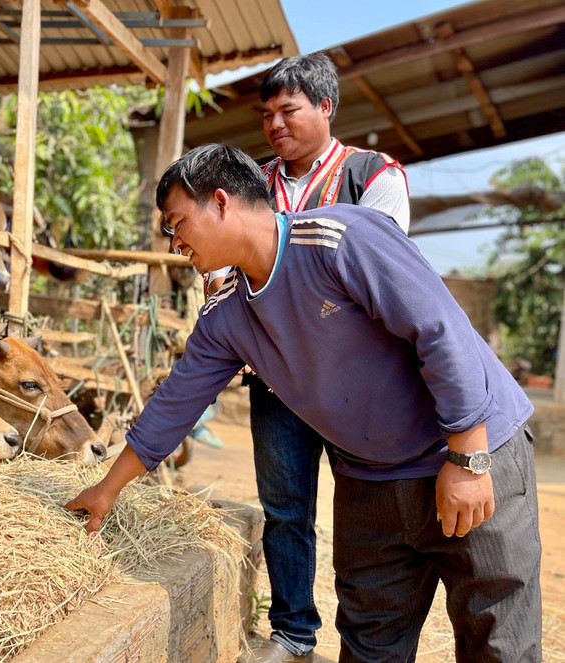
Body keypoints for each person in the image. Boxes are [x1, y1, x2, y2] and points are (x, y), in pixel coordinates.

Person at [66, 144, 541, 663]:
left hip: (467, 452)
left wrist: (469, 459)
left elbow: (439, 328)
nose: (173, 242)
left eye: (176, 223)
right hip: (371, 482)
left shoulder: (341, 237)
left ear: (221, 202)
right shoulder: (225, 316)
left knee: (498, 640)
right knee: (368, 644)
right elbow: (175, 403)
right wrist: (108, 489)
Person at [201, 52, 411, 662]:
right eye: (266, 114)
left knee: (365, 511)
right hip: (276, 379)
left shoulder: (374, 176)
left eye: (288, 109)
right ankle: (293, 633)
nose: (274, 124)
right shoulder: (246, 186)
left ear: (325, 106)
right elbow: (219, 266)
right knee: (285, 509)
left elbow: (379, 275)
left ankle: (366, 638)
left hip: (356, 383)